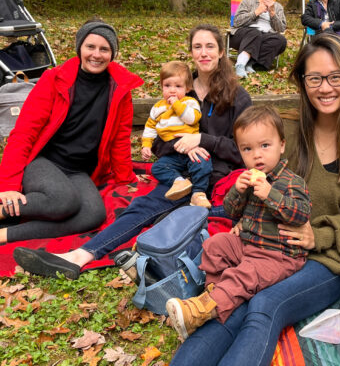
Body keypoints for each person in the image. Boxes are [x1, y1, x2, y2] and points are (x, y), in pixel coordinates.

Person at [169, 33, 340, 366]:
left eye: (335, 77)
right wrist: (248, 218)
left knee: (264, 304)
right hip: (271, 246)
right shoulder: (290, 134)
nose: (325, 87)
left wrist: (320, 235)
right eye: (314, 78)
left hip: (328, 258)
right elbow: (267, 184)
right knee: (233, 293)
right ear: (302, 81)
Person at [13, 24, 252, 279]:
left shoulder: (238, 97)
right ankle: (79, 256)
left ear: (220, 52)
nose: (204, 53)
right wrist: (175, 145)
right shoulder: (180, 88)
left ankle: (150, 256)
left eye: (210, 47)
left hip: (215, 177)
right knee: (142, 207)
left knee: (201, 215)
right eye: (197, 47)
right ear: (191, 52)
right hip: (178, 173)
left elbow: (244, 152)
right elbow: (160, 140)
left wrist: (202, 140)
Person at [166, 105, 311, 342]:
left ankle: (203, 309)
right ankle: (213, 295)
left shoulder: (292, 182)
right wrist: (238, 190)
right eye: (247, 149)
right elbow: (232, 212)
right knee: (216, 244)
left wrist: (269, 194)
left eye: (265, 146)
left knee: (244, 273)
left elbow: (301, 214)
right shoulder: (248, 178)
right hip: (248, 243)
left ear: (282, 145)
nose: (257, 155)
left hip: (279, 255)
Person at [0, 19, 143, 244]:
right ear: (79, 48)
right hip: (44, 161)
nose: (96, 55)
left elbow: (120, 138)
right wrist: (8, 186)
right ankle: (3, 209)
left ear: (112, 54)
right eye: (90, 47)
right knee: (63, 201)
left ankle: (5, 234)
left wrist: (126, 179)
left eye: (104, 49)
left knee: (93, 214)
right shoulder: (54, 80)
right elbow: (24, 133)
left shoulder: (119, 88)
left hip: (78, 170)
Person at [142, 61, 212, 207]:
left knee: (203, 162)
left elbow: (192, 118)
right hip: (170, 152)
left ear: (187, 88)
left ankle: (198, 193)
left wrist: (176, 105)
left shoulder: (189, 102)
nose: (172, 90)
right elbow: (150, 127)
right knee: (157, 168)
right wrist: (146, 145)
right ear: (161, 86)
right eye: (167, 86)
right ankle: (179, 183)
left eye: (178, 86)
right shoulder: (158, 107)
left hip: (191, 149)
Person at [230, 0, 287, 79]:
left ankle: (250, 63)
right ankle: (240, 64)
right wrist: (257, 12)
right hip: (243, 35)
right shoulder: (247, 2)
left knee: (281, 40)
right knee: (255, 33)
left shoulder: (277, 7)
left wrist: (273, 13)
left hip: (265, 36)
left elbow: (281, 28)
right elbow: (237, 22)